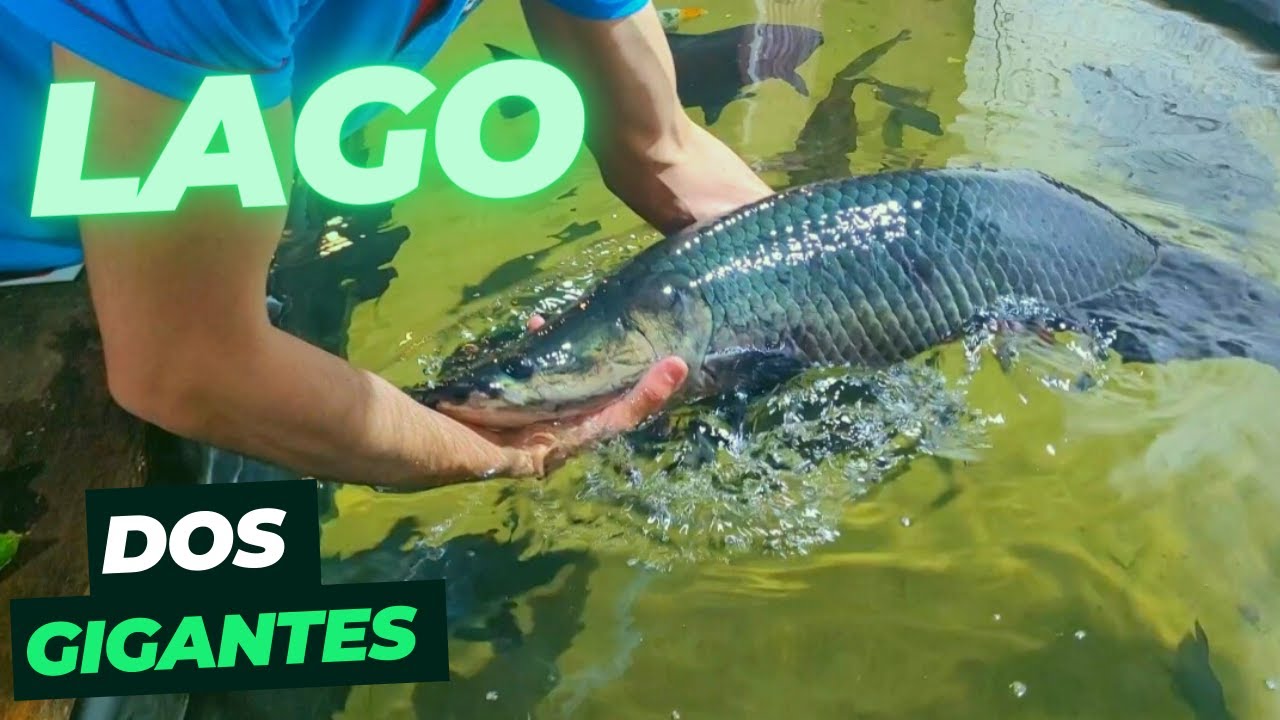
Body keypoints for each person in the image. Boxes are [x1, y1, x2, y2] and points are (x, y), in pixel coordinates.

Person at [0, 0, 775, 489]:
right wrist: (502, 456)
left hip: (213, 193)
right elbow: (187, 364)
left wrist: (826, 271)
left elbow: (663, 151)